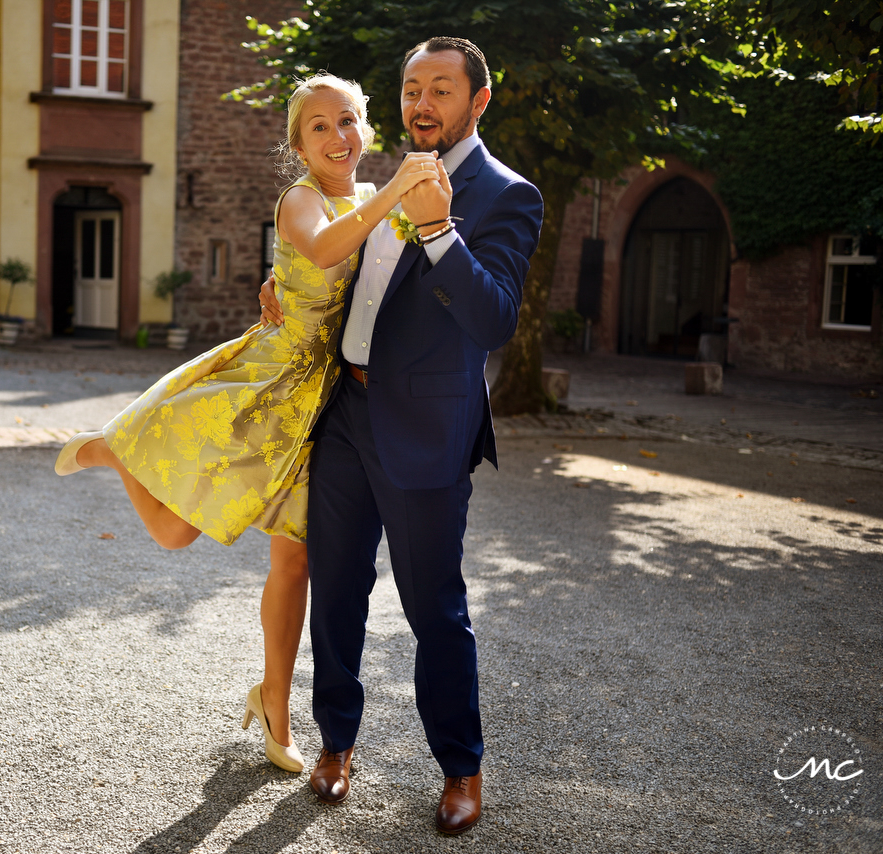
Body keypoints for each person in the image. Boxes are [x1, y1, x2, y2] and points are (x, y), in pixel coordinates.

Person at [52, 74, 441, 774]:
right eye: (318, 126)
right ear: (297, 145)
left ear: (367, 129)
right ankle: (116, 450)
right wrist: (390, 198)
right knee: (174, 534)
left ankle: (274, 704)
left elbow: (379, 284)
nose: (337, 135)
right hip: (264, 385)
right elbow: (322, 249)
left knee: (297, 558)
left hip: (326, 405)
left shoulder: (372, 203)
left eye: (347, 120)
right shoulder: (302, 197)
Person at [259, 37, 543, 834]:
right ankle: (336, 744)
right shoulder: (377, 187)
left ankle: (461, 769)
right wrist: (282, 285)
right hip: (344, 416)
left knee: (434, 610)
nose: (423, 104)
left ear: (479, 100)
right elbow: (338, 271)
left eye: (442, 90)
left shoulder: (508, 195)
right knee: (338, 592)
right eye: (413, 89)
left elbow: (494, 318)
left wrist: (443, 231)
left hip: (426, 427)